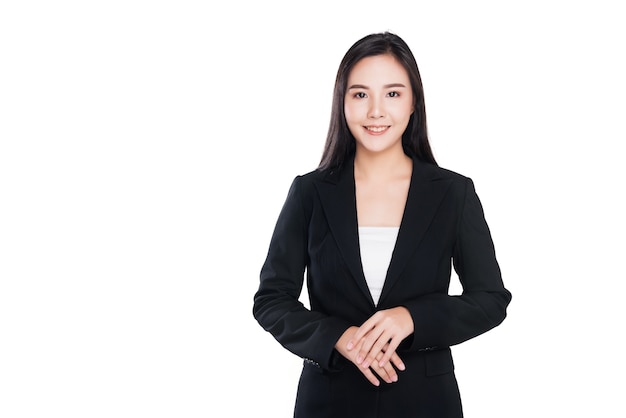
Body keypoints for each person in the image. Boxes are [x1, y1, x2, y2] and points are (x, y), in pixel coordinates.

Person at [252, 32, 511, 418]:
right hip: (329, 401)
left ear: (413, 103)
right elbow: (272, 300)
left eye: (392, 94)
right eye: (360, 94)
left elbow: (490, 299)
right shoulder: (310, 192)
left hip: (426, 403)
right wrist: (338, 337)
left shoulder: (453, 193)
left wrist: (411, 317)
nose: (376, 111)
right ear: (342, 104)